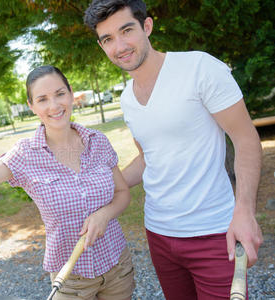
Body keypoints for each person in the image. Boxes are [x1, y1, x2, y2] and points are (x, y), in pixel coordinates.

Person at [84, 1, 263, 299]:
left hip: (215, 233)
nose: (120, 46)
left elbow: (245, 139)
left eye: (126, 30)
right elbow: (147, 158)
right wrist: (101, 188)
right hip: (159, 235)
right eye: (108, 39)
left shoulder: (199, 67)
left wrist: (244, 211)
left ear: (147, 26)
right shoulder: (127, 99)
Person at [0, 65, 135, 300]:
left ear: (70, 93)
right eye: (42, 99)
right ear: (31, 106)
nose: (54, 106)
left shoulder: (98, 141)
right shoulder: (25, 155)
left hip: (117, 265)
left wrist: (104, 214)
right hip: (71, 280)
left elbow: (122, 192)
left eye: (59, 94)